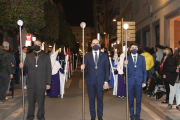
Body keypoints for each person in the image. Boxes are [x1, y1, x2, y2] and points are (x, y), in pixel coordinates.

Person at [19, 40, 51, 120]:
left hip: (41, 82)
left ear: (41, 46)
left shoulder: (46, 56)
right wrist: (22, 67)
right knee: (31, 101)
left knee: (41, 102)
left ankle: (40, 116)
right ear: (33, 46)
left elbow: (48, 70)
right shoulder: (29, 56)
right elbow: (25, 70)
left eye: (38, 44)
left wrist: (48, 83)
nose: (36, 46)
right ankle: (30, 116)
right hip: (31, 82)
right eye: (35, 44)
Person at [81, 39, 109, 120]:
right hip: (90, 81)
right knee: (91, 99)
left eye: (97, 43)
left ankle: (100, 116)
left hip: (100, 81)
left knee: (100, 99)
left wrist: (106, 81)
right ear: (91, 45)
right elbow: (85, 66)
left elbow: (107, 69)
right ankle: (92, 116)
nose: (95, 44)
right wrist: (82, 67)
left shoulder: (104, 55)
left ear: (99, 45)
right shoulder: (87, 55)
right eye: (94, 43)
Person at [124, 42, 147, 120]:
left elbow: (144, 71)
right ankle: (132, 116)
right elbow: (124, 71)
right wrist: (124, 65)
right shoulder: (127, 58)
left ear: (137, 49)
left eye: (135, 47)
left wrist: (144, 81)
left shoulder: (142, 58)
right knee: (130, 100)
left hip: (139, 82)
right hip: (130, 82)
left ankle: (137, 116)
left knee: (138, 100)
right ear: (130, 49)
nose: (134, 49)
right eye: (132, 47)